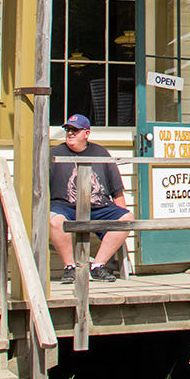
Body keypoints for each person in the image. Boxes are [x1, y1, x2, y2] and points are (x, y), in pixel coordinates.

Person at [49, 113, 132, 283]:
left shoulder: (100, 152)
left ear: (86, 133)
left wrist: (121, 219)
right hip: (66, 206)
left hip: (99, 207)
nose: (70, 133)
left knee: (127, 218)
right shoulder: (55, 153)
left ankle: (98, 267)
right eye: (68, 129)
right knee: (55, 220)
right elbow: (41, 189)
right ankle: (70, 268)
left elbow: (117, 190)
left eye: (75, 130)